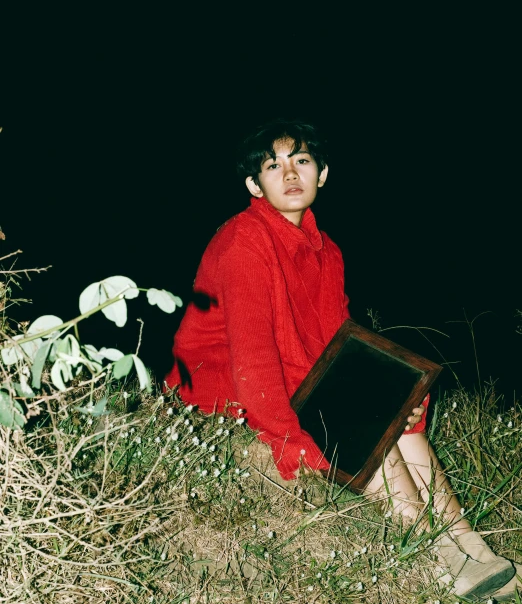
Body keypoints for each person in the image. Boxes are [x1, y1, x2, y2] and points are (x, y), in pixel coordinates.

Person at [164, 119, 518, 601]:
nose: (290, 175)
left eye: (301, 162)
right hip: (220, 386)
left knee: (397, 418)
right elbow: (252, 357)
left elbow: (346, 347)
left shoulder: (327, 251)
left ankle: (468, 543)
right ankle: (431, 553)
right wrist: (290, 440)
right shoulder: (243, 240)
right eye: (274, 166)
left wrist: (402, 398)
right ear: (254, 184)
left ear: (322, 173)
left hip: (301, 374)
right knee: (358, 420)